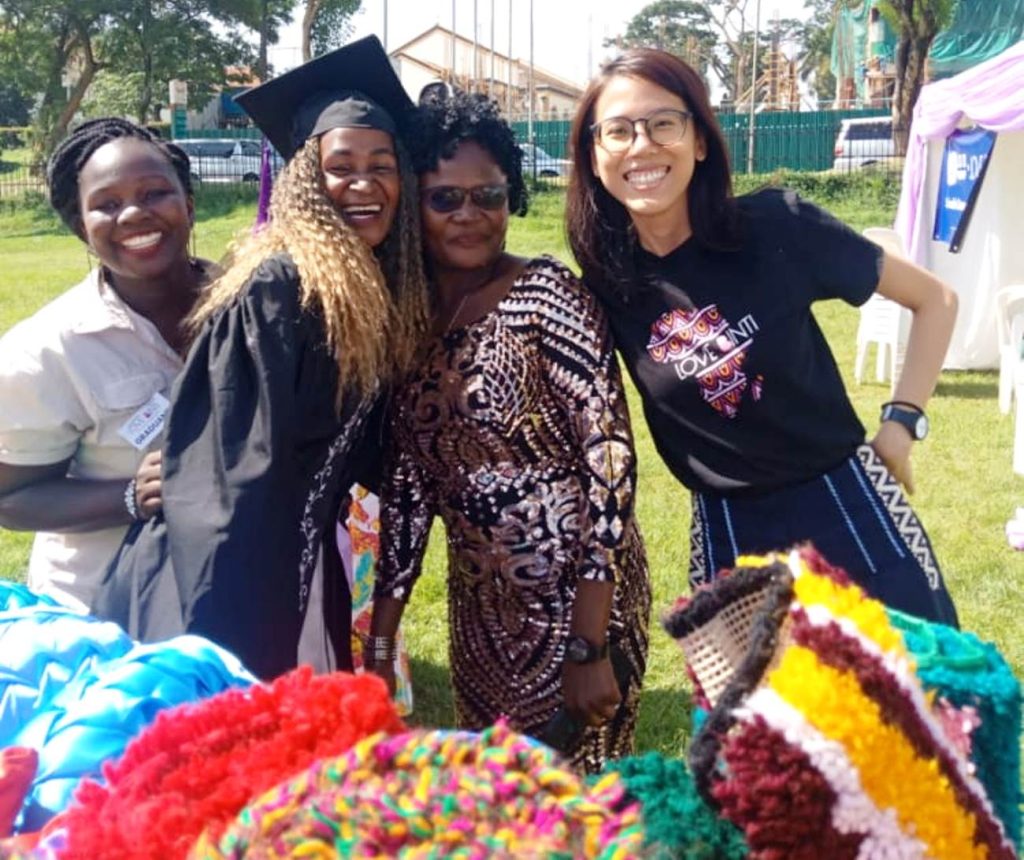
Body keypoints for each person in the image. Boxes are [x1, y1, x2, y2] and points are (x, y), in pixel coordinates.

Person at [566, 48, 959, 626]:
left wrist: (902, 424)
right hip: (731, 531)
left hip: (846, 504)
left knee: (921, 701)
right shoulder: (608, 283)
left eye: (663, 124)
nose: (642, 145)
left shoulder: (777, 226)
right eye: (619, 131)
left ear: (699, 140)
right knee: (760, 716)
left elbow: (936, 300)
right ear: (595, 157)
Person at [92, 36, 431, 679]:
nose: (364, 182)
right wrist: (228, 651)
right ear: (306, 179)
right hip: (223, 587)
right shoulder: (279, 289)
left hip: (298, 565)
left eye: (383, 164)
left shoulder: (367, 289)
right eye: (341, 165)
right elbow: (231, 494)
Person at [366, 89, 651, 773]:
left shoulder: (547, 297)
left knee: (584, 809)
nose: (470, 216)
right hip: (483, 615)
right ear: (413, 204)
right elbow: (409, 489)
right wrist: (380, 640)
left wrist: (589, 646)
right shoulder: (406, 317)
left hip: (581, 600)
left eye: (488, 195)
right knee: (499, 802)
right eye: (445, 199)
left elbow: (610, 466)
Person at [0, 118, 214, 612]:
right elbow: (12, 499)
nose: (134, 214)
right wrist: (132, 495)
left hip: (226, 583)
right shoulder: (48, 350)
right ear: (82, 227)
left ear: (189, 204)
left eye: (155, 193)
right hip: (103, 607)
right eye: (107, 204)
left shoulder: (245, 307)